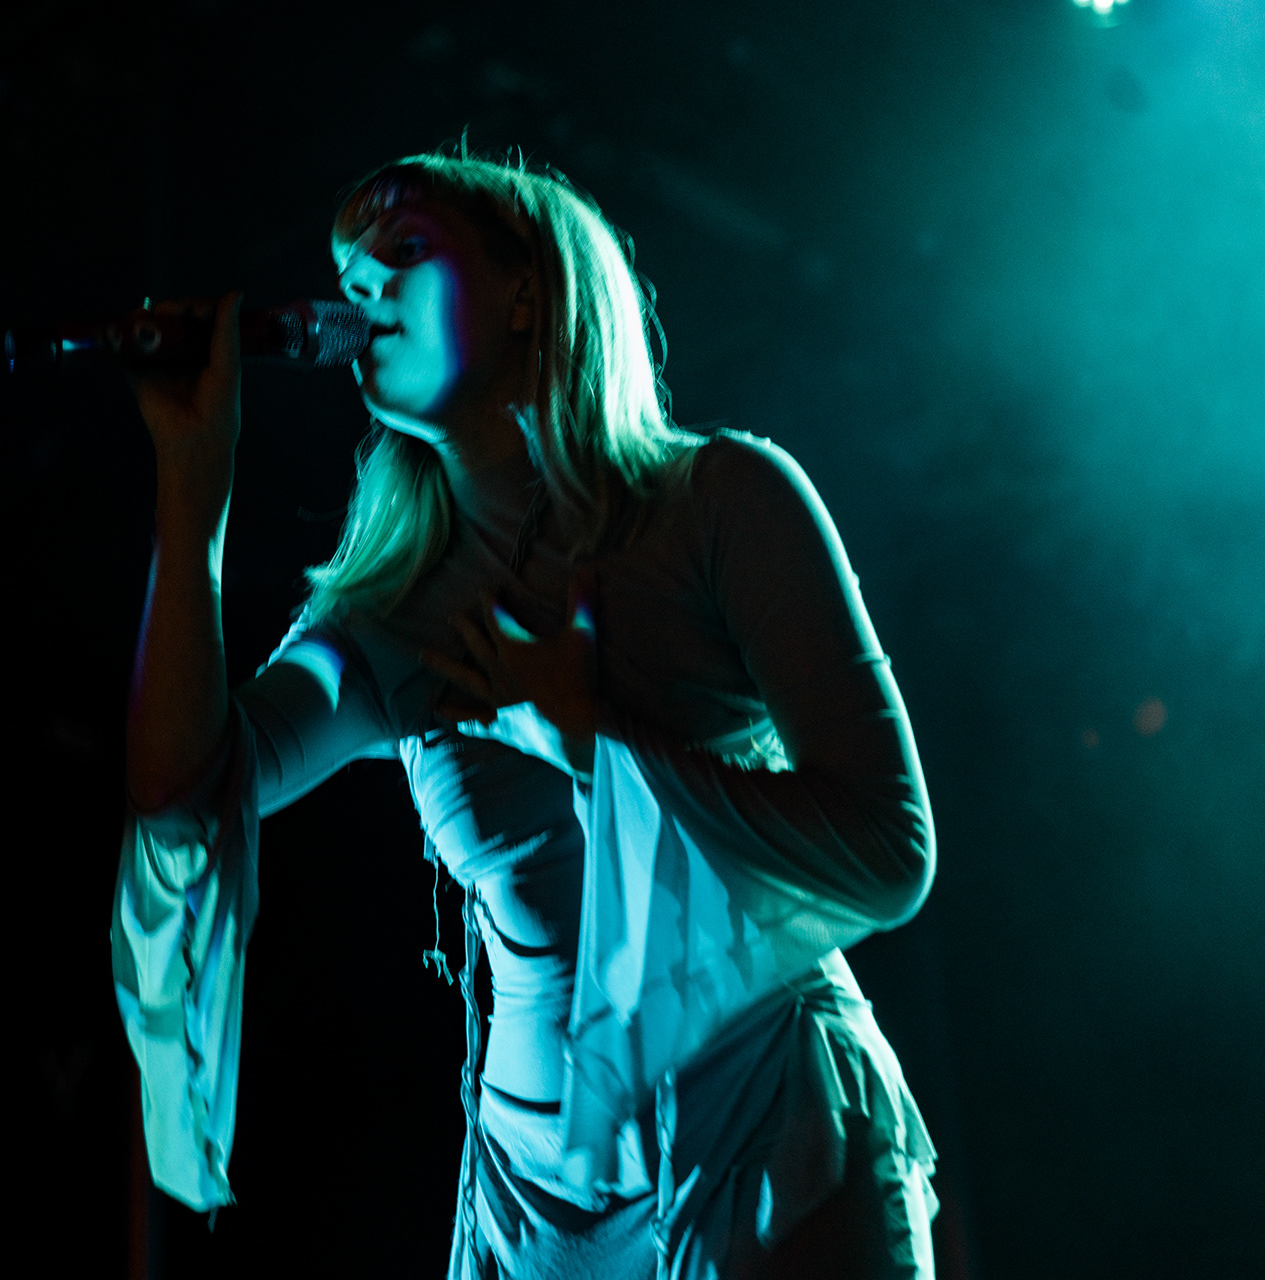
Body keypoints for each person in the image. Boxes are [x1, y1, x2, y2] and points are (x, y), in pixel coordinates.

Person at [113, 150, 940, 1279]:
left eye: (404, 252)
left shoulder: (720, 501)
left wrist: (588, 739)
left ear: (523, 289)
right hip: (540, 1197)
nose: (364, 293)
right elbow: (185, 789)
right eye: (350, 280)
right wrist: (191, 485)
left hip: (759, 1124)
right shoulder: (387, 612)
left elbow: (891, 855)